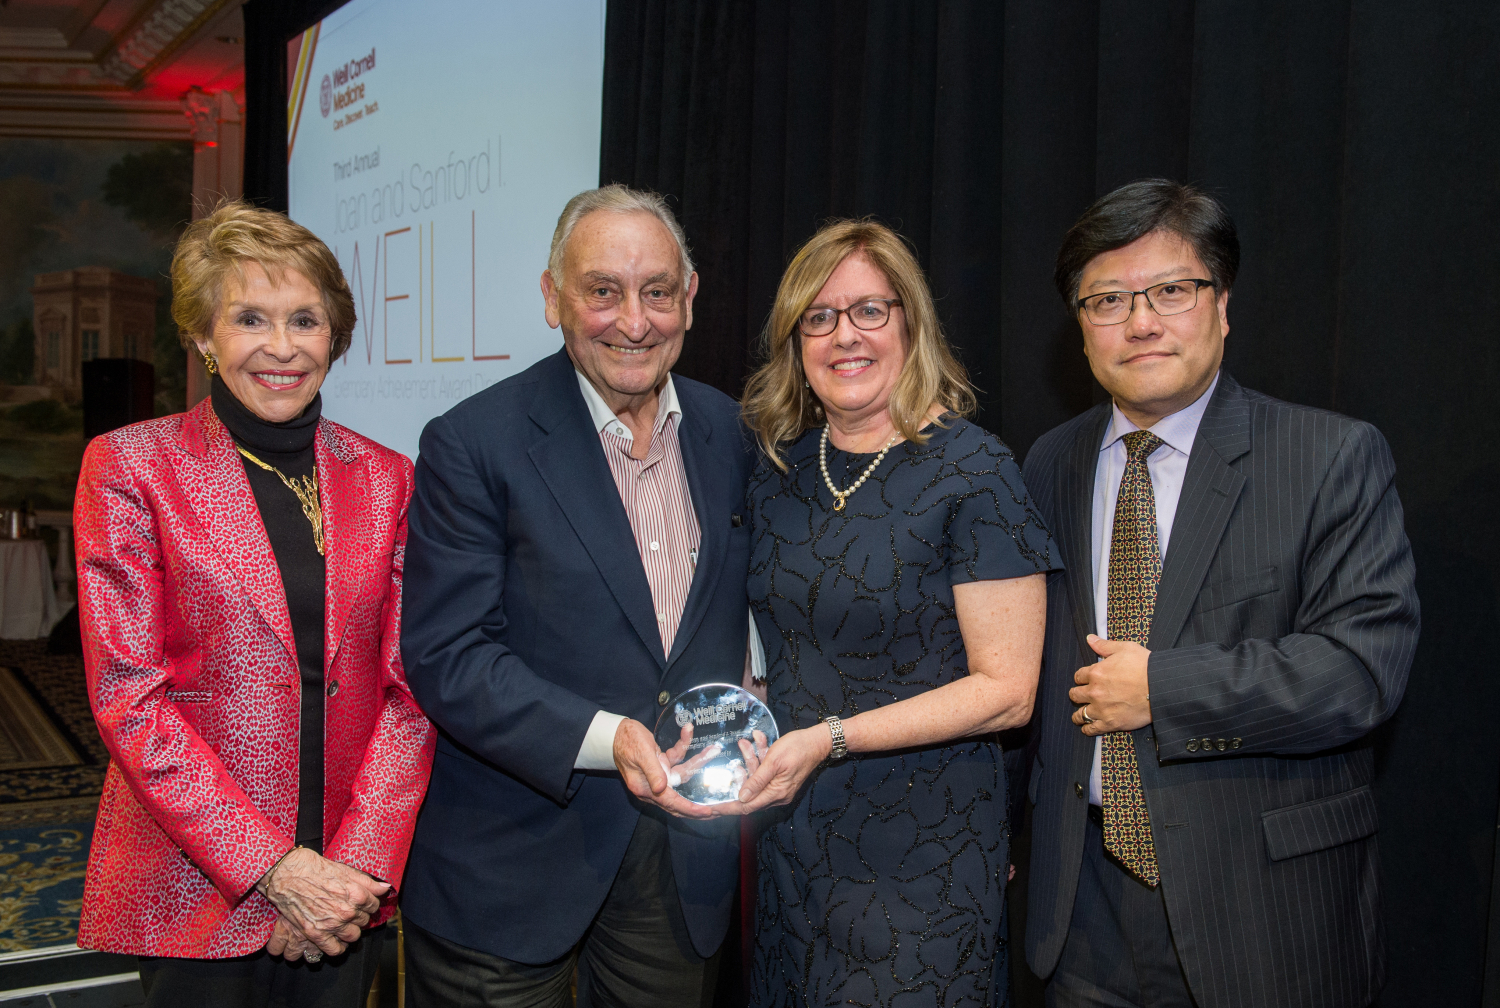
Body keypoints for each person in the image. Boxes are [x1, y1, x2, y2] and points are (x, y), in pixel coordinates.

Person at [1022, 179, 1419, 1008]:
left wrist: (1162, 690)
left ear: (1223, 304)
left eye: (1171, 290)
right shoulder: (1049, 463)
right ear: (1081, 326)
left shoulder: (1327, 456)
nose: (1141, 322)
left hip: (1261, 912)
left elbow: (1361, 672)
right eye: (1108, 300)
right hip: (1080, 911)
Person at [397, 184, 756, 1007]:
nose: (634, 321)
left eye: (656, 292)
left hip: (676, 869)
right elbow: (449, 657)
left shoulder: (733, 433)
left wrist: (757, 690)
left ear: (689, 298)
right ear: (553, 297)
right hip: (508, 868)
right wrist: (608, 738)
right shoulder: (473, 442)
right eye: (602, 291)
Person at [73, 200, 436, 1007]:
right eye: (249, 319)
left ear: (335, 336)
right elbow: (129, 697)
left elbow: (411, 688)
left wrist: (350, 869)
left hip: (346, 888)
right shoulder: (131, 467)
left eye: (305, 320)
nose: (282, 347)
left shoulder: (387, 477)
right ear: (203, 335)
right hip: (196, 884)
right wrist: (274, 870)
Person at [729, 219, 1056, 1007]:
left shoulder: (975, 471)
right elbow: (781, 645)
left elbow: (1009, 691)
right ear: (796, 341)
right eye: (819, 317)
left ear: (910, 322)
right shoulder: (777, 473)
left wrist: (830, 738)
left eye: (870, 310)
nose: (845, 335)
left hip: (924, 856)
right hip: (792, 845)